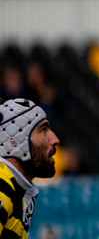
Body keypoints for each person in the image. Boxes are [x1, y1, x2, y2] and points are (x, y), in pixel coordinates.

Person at [0, 99, 60, 239]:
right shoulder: (2, 186)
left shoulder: (16, 188)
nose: (55, 139)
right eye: (43, 130)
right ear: (14, 141)